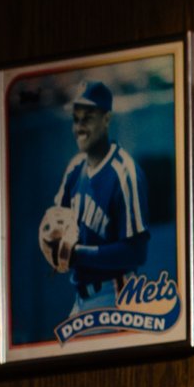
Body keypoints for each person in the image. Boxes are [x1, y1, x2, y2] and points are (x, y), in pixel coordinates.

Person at [39, 78, 148, 318]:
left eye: (87, 118)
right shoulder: (75, 168)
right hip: (81, 297)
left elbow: (136, 252)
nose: (79, 127)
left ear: (106, 118)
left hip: (117, 295)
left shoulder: (125, 173)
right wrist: (54, 240)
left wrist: (78, 254)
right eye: (75, 120)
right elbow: (59, 215)